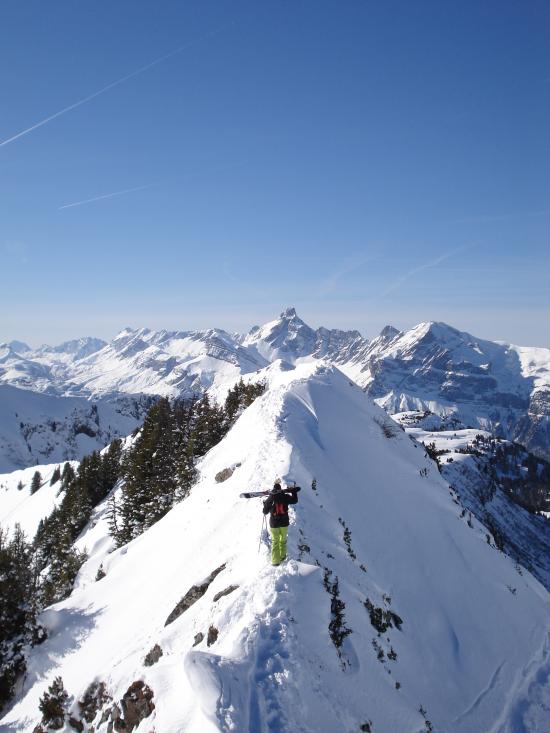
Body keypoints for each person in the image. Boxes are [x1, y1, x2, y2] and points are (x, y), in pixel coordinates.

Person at [262, 480, 299, 566]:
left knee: (275, 541)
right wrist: (294, 492)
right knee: (283, 540)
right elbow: (294, 500)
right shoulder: (285, 496)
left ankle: (275, 561)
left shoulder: (271, 497)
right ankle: (282, 557)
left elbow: (265, 511)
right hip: (284, 522)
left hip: (274, 523)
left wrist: (265, 505)